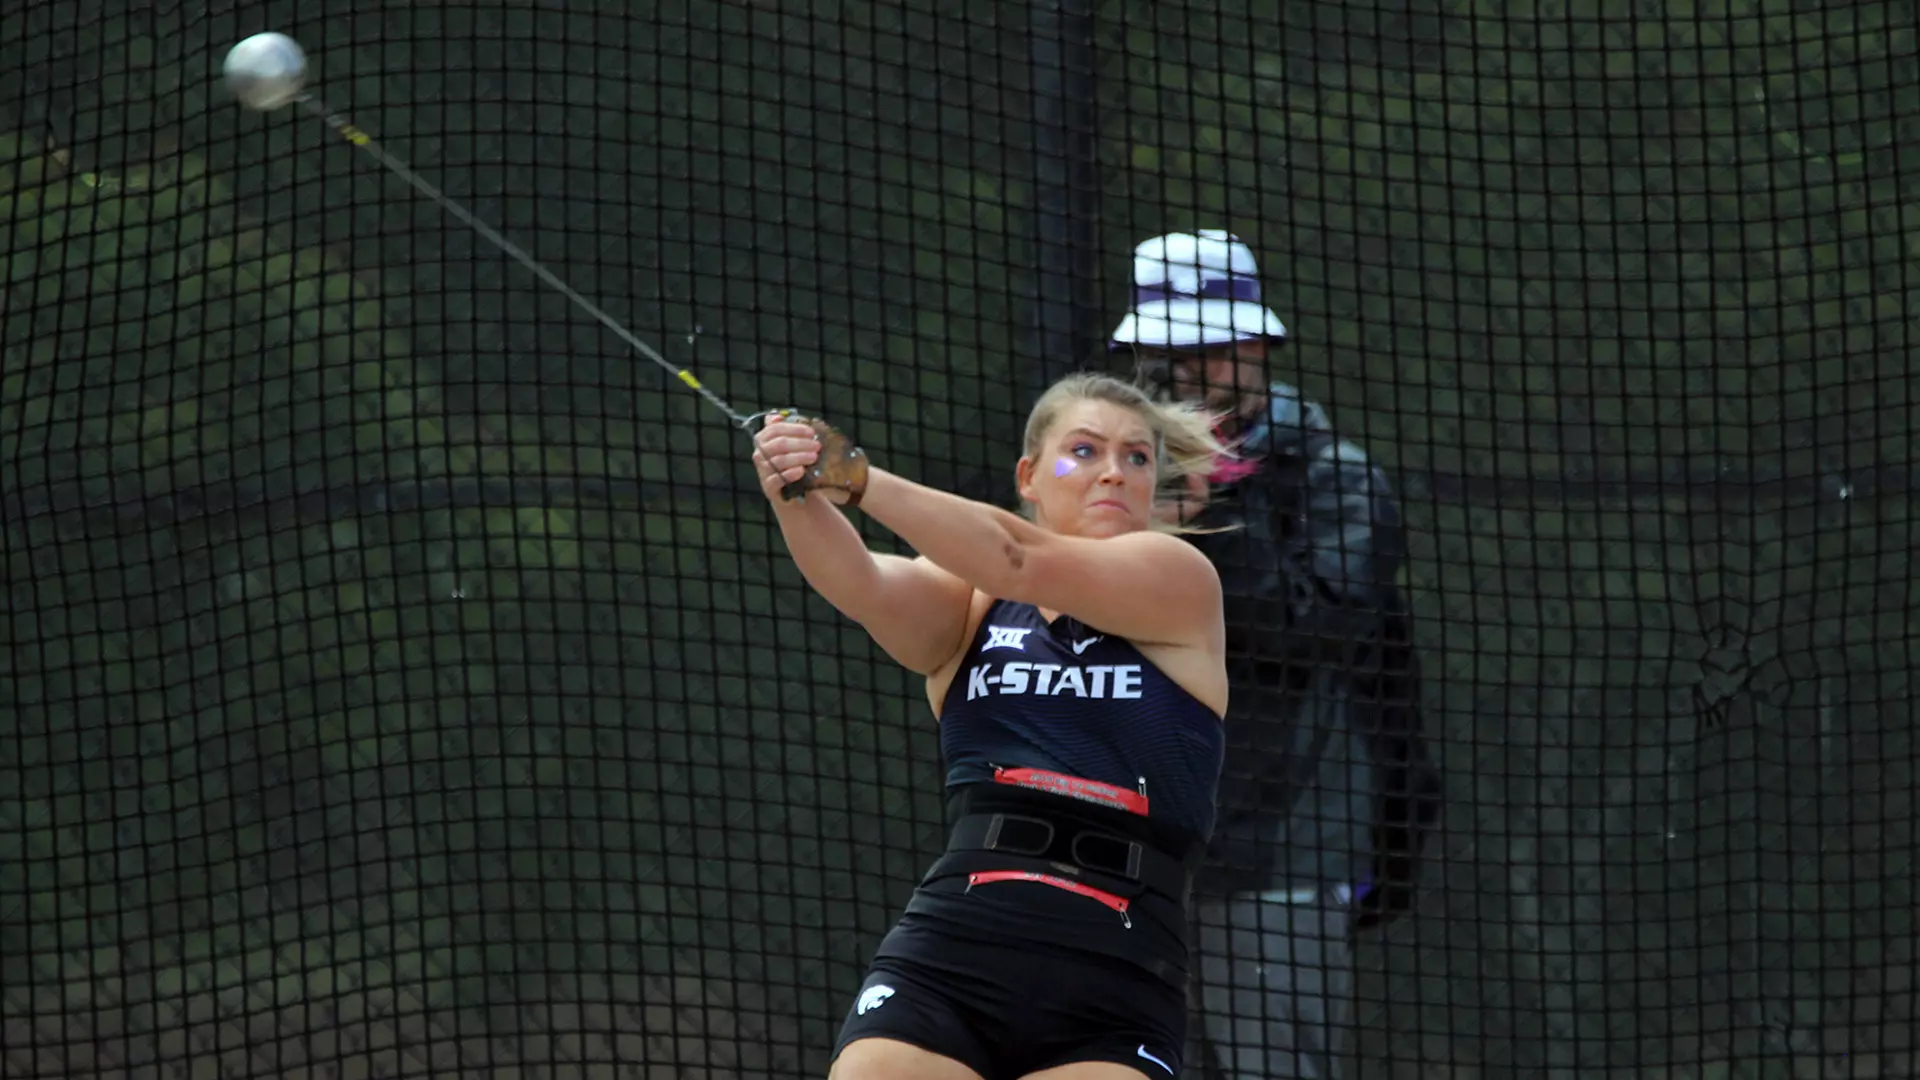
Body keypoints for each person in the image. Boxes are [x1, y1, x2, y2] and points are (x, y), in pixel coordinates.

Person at [748, 372, 1235, 1080]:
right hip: (956, 944)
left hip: (1117, 961)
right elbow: (865, 583)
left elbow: (1018, 556)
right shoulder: (975, 601)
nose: (1114, 473)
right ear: (1029, 476)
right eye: (1084, 451)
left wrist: (858, 480)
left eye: (1137, 458)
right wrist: (794, 492)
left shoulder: (1178, 577)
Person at [1107, 231, 1443, 1080]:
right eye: (1165, 357)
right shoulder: (1109, 480)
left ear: (1259, 349)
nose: (1186, 378)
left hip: (1282, 855)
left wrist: (1207, 508)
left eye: (1213, 354)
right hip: (1123, 847)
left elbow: (1319, 630)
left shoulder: (1336, 479)